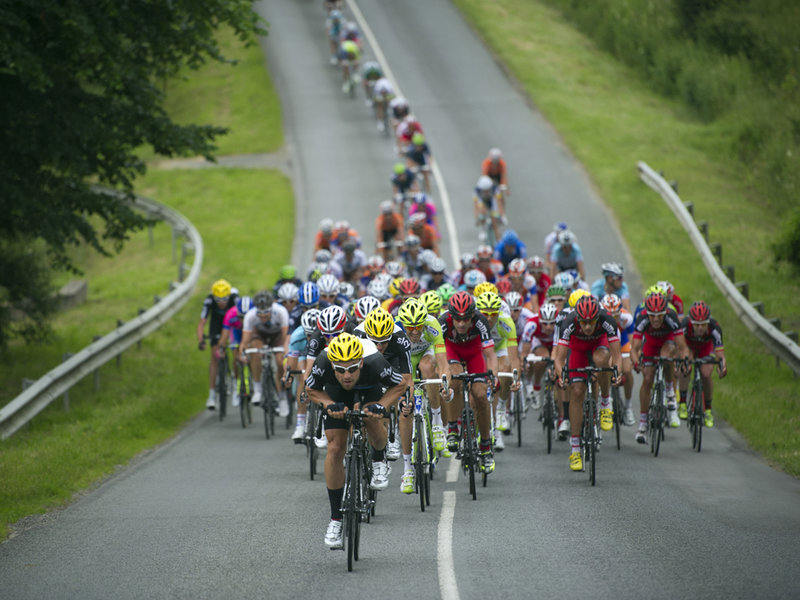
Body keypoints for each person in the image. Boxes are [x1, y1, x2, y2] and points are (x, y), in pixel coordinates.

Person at [305, 332, 406, 549]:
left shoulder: (375, 361)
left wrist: (382, 405)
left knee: (371, 418)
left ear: (360, 362)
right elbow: (311, 389)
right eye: (341, 370)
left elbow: (400, 385)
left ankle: (379, 458)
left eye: (352, 368)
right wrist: (328, 404)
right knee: (335, 448)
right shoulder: (324, 361)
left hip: (369, 387)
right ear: (333, 367)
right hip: (336, 393)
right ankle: (335, 520)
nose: (347, 374)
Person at [553, 295, 623, 472]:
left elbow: (617, 357)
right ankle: (575, 449)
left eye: (591, 322)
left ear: (597, 318)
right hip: (577, 350)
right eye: (583, 322)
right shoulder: (568, 322)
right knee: (577, 391)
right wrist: (562, 376)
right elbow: (559, 360)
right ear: (577, 318)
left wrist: (617, 372)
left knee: (603, 359)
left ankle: (606, 402)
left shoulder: (607, 319)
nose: (587, 327)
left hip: (599, 347)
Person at [439, 291, 499, 473]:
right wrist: (443, 378)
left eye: (466, 319)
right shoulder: (443, 322)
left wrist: (493, 378)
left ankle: (486, 446)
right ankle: (452, 427)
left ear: (472, 315)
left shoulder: (480, 321)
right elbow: (439, 356)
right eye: (458, 319)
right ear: (451, 316)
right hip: (452, 351)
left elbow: (490, 355)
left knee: (480, 395)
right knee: (455, 380)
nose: (462, 323)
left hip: (474, 353)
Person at [395, 298, 450, 491]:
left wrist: (445, 383)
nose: (416, 331)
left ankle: (436, 423)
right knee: (405, 410)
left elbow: (443, 363)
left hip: (426, 353)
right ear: (403, 324)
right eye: (410, 327)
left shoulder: (433, 326)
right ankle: (407, 469)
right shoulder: (395, 329)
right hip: (405, 359)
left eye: (419, 326)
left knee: (428, 368)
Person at [355, 307, 413, 462]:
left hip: (391, 360)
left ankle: (390, 427)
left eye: (383, 341)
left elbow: (407, 377)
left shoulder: (400, 338)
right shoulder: (357, 335)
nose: (379, 347)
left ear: (390, 336)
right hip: (366, 359)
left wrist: (406, 401)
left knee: (393, 387)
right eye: (375, 341)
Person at [630, 291, 690, 442]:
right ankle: (643, 423)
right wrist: (637, 363)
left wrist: (684, 361)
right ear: (647, 313)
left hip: (667, 342)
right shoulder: (642, 318)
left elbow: (682, 347)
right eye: (652, 316)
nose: (656, 319)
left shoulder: (671, 316)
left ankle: (670, 391)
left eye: (659, 316)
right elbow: (635, 348)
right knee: (648, 379)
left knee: (666, 355)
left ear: (665, 312)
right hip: (650, 345)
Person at [475, 291, 522, 451]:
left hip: (499, 348)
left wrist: (516, 379)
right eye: (485, 314)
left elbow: (515, 357)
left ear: (499, 312)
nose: (489, 318)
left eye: (493, 314)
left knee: (505, 368)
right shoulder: (474, 322)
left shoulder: (506, 322)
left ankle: (501, 407)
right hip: (481, 350)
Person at [238, 291, 290, 414]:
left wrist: (285, 353)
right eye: (259, 313)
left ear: (271, 307)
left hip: (277, 336)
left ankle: (282, 397)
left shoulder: (281, 312)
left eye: (266, 312)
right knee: (255, 351)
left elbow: (285, 337)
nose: (263, 316)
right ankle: (258, 389)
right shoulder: (250, 316)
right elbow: (245, 341)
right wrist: (243, 353)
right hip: (260, 336)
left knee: (279, 360)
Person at [678, 301, 727, 427]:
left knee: (705, 374)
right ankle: (682, 403)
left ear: (708, 322)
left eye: (703, 324)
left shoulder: (715, 327)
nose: (700, 328)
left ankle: (708, 410)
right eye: (697, 324)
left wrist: (722, 367)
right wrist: (682, 361)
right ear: (691, 322)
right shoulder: (684, 325)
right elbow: (680, 347)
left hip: (706, 348)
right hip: (689, 347)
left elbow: (720, 354)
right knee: (685, 367)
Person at [197, 279, 238, 410]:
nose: (221, 303)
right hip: (216, 324)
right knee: (214, 358)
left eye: (224, 299)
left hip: (232, 323)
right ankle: (212, 395)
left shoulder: (235, 298)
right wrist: (201, 340)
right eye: (218, 300)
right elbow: (202, 322)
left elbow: (243, 317)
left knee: (235, 351)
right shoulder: (209, 300)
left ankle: (234, 379)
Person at [600, 293, 635, 425]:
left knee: (626, 370)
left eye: (615, 315)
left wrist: (630, 355)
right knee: (606, 364)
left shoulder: (627, 318)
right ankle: (606, 396)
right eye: (610, 314)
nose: (613, 318)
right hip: (607, 340)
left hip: (623, 340)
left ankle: (628, 406)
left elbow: (632, 341)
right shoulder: (600, 318)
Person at [288, 308, 321, 442]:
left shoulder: (325, 336)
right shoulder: (296, 336)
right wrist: (288, 375)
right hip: (303, 355)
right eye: (308, 335)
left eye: (315, 334)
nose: (311, 338)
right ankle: (300, 423)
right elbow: (290, 363)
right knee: (302, 378)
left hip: (320, 353)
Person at [519, 301, 558, 410]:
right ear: (540, 321)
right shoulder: (532, 324)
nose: (549, 327)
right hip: (539, 342)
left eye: (552, 323)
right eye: (545, 323)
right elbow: (525, 350)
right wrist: (524, 361)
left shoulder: (561, 322)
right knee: (543, 358)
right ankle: (536, 386)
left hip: (556, 342)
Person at [473, 175, 504, 244]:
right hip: (482, 201)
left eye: (488, 190)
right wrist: (477, 217)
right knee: (482, 212)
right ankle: (483, 229)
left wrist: (501, 215)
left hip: (492, 201)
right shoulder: (476, 191)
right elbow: (476, 206)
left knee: (494, 220)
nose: (486, 192)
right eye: (484, 190)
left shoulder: (495, 189)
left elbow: (499, 203)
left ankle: (498, 239)